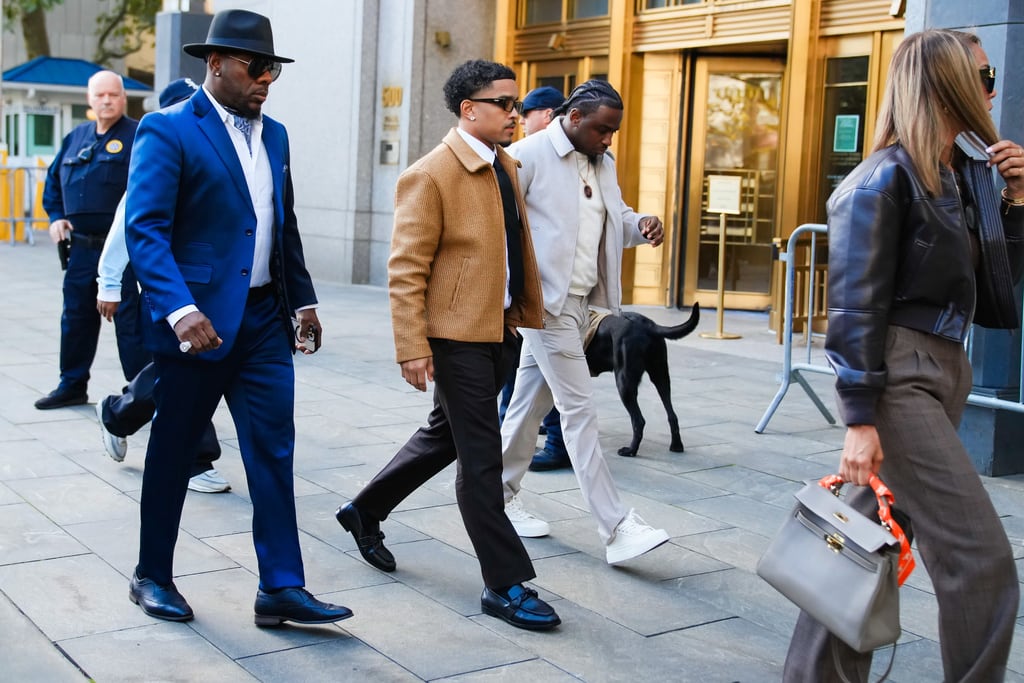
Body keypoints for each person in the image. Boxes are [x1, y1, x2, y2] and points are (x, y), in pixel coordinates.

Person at [782, 29, 1024, 682]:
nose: (991, 89)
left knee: (860, 547)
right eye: (983, 75)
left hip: (941, 373)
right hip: (899, 382)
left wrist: (1016, 206)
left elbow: (999, 300)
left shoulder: (963, 178)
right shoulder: (881, 180)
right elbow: (855, 306)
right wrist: (860, 417)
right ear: (947, 85)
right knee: (981, 560)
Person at [124, 9, 351, 627]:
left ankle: (280, 587)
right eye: (256, 67)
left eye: (273, 69)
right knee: (174, 451)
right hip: (197, 327)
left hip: (263, 322)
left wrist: (302, 300)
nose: (267, 80)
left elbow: (283, 226)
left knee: (273, 451)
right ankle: (152, 575)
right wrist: (180, 308)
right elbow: (145, 230)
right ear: (215, 63)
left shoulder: (275, 134)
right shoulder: (167, 130)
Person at [335, 59, 560, 631]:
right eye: (505, 104)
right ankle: (504, 583)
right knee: (481, 459)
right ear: (470, 109)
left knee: (446, 436)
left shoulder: (505, 165)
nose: (516, 113)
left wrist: (517, 316)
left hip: (498, 330)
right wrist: (412, 345)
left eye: (515, 105)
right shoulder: (430, 174)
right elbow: (406, 268)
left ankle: (364, 510)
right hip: (454, 337)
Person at [498, 80, 670, 565]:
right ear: (572, 118)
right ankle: (616, 528)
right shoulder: (525, 156)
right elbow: (499, 229)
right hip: (544, 307)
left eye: (614, 131)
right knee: (579, 411)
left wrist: (642, 225)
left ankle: (496, 498)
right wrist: (510, 300)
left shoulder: (604, 163)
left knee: (527, 406)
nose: (608, 139)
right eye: (602, 129)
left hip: (583, 305)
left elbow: (610, 218)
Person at [94, 78, 229, 494]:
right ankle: (195, 458)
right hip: (166, 287)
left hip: (212, 287)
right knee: (184, 369)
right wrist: (110, 282)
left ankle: (119, 413)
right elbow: (127, 225)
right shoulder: (164, 148)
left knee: (193, 367)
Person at [37, 70, 148, 409]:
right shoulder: (76, 137)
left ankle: (142, 395)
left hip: (124, 252)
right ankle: (71, 384)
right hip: (82, 249)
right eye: (99, 95)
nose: (106, 100)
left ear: (123, 97)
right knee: (76, 319)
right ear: (89, 99)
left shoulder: (139, 136)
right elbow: (53, 183)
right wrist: (56, 217)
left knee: (130, 325)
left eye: (113, 94)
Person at [498, 85, 570, 472]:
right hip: (522, 287)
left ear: (548, 114)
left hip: (546, 292)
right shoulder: (526, 154)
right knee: (525, 376)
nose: (520, 120)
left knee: (549, 377)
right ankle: (509, 445)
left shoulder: (535, 155)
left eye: (526, 113)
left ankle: (557, 443)